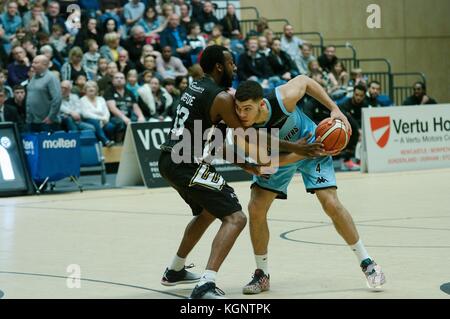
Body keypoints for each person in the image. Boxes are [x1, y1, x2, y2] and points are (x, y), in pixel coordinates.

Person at [158, 45, 323, 299]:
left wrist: (248, 165)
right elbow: (250, 134)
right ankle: (206, 285)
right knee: (236, 218)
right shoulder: (222, 98)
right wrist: (293, 146)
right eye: (232, 63)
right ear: (219, 67)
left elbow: (217, 144)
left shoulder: (195, 87)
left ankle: (175, 269)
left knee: (209, 210)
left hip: (170, 160)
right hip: (186, 164)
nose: (235, 68)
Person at [234, 78, 386, 295]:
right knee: (255, 208)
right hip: (282, 159)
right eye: (238, 109)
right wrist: (297, 153)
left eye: (247, 109)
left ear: (261, 105)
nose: (241, 114)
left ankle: (368, 263)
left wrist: (335, 109)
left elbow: (306, 82)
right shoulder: (243, 131)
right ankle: (262, 274)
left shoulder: (282, 99)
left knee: (331, 204)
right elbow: (264, 162)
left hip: (315, 148)